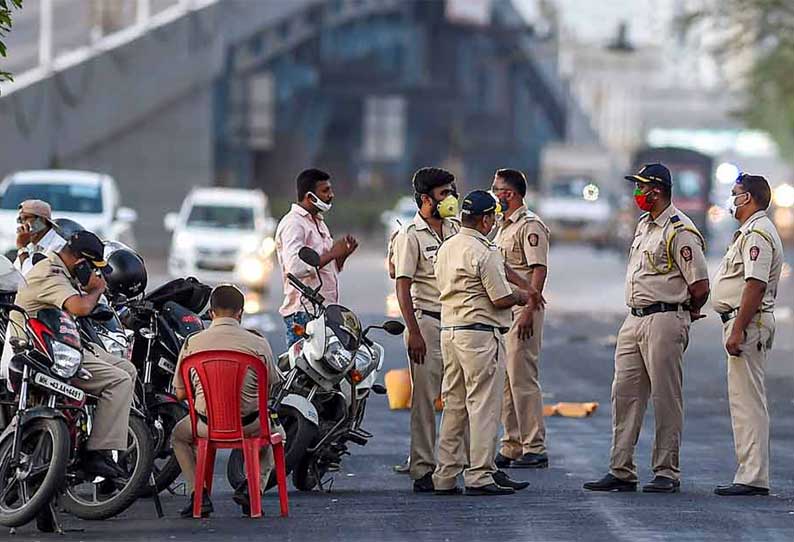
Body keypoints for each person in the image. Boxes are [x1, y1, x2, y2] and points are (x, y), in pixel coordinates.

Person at [584, 163, 710, 494]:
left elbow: (700, 285)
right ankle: (621, 469)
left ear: (656, 190)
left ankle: (667, 470)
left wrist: (685, 314)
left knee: (666, 396)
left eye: (641, 188)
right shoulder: (644, 225)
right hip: (635, 318)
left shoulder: (679, 229)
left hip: (665, 318)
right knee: (624, 394)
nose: (636, 193)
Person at [432, 190, 533, 496]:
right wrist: (522, 296)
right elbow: (500, 297)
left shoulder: (446, 247)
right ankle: (480, 474)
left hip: (450, 332)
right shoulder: (483, 251)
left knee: (454, 407)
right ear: (486, 219)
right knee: (483, 407)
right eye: (493, 218)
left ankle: (445, 476)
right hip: (479, 336)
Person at [11, 231, 136, 478]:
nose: (93, 273)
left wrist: (88, 285)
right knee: (119, 381)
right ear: (80, 261)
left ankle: (99, 427)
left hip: (59, 343)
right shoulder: (51, 273)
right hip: (41, 351)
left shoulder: (61, 269)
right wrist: (97, 290)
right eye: (91, 267)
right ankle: (96, 453)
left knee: (128, 370)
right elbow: (78, 307)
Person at [172, 284, 284, 517]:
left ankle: (198, 495)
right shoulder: (258, 343)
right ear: (240, 313)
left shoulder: (192, 342)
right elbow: (271, 384)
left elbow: (181, 394)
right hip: (250, 424)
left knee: (179, 437)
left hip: (204, 425)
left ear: (211, 313)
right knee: (277, 435)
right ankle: (252, 489)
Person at [712, 174, 783, 496]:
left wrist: (737, 328)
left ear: (749, 198)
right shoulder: (751, 232)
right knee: (745, 402)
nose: (731, 199)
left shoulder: (756, 234)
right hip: (746, 323)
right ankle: (750, 474)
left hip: (749, 325)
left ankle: (753, 478)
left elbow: (755, 284)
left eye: (735, 193)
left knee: (748, 403)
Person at [391, 167, 461, 492]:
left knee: (459, 397)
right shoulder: (410, 236)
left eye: (451, 191)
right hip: (427, 323)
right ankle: (422, 468)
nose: (451, 198)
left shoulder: (457, 229)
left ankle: (454, 465)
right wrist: (414, 331)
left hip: (457, 324)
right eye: (444, 193)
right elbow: (402, 287)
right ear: (425, 199)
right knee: (425, 399)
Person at [491, 168, 550, 470]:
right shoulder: (503, 227)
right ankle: (511, 444)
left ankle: (534, 446)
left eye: (497, 188)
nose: (494, 193)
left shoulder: (530, 226)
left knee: (522, 378)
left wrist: (529, 309)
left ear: (509, 194)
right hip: (505, 310)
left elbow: (538, 269)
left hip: (523, 310)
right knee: (505, 379)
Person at [275, 168, 358, 347]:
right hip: (304, 313)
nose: (331, 195)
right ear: (310, 196)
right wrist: (333, 252)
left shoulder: (318, 222)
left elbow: (327, 268)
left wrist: (342, 255)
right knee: (305, 372)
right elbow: (296, 268)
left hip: (324, 312)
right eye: (325, 191)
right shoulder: (293, 224)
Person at [13, 200, 65, 275]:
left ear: (42, 220)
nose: (23, 224)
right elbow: (15, 275)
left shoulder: (58, 245)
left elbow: (31, 277)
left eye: (26, 218)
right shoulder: (31, 245)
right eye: (20, 220)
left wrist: (22, 248)